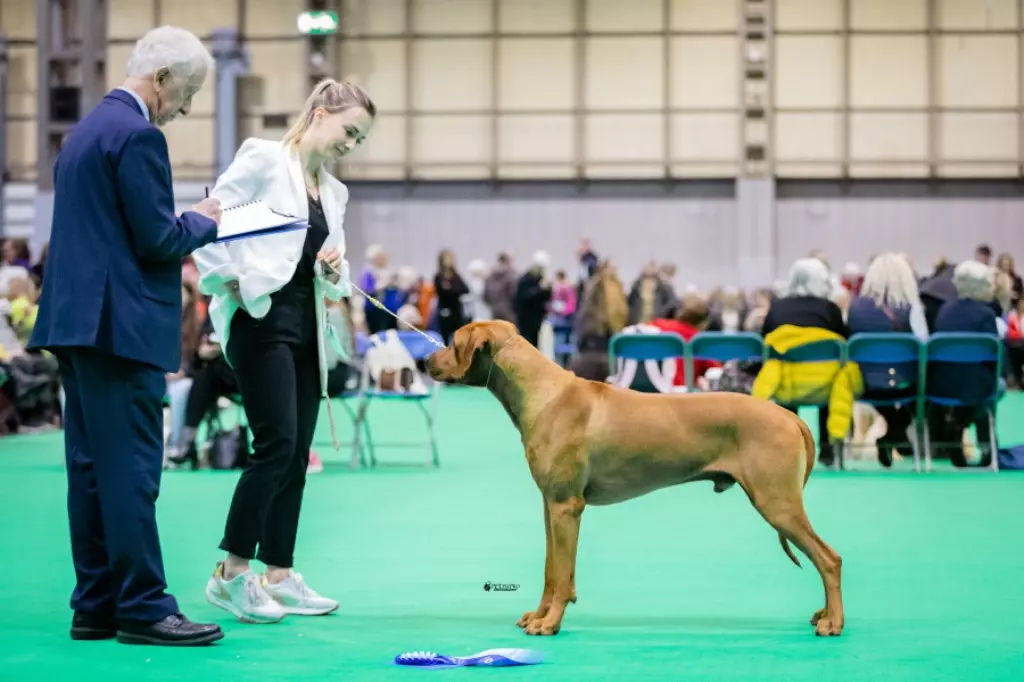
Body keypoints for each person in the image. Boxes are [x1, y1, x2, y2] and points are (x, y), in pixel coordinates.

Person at [27, 27, 224, 645]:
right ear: (161, 78)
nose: (185, 108)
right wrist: (207, 219)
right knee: (133, 471)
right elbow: (160, 239)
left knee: (89, 468)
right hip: (122, 329)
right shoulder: (138, 135)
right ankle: (143, 605)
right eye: (186, 94)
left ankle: (96, 604)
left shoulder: (81, 133)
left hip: (75, 326)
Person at [193, 78, 376, 624]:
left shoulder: (335, 193)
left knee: (298, 453)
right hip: (260, 319)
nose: (352, 143)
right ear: (320, 114)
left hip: (308, 326)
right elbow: (209, 218)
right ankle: (229, 574)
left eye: (361, 139)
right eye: (350, 131)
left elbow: (332, 274)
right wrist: (227, 280)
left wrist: (334, 271)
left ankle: (278, 573)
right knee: (274, 446)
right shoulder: (264, 158)